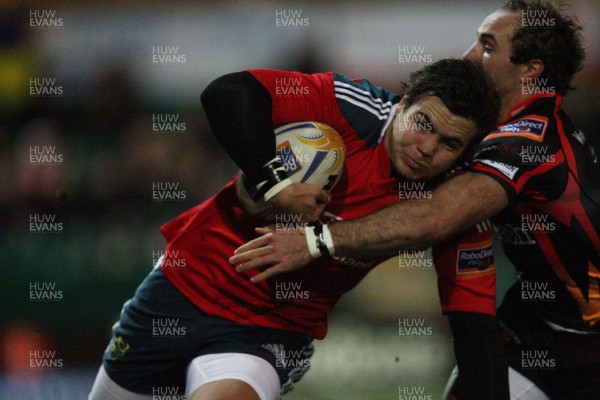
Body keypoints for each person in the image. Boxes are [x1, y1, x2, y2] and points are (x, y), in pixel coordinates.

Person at [232, 1, 598, 399]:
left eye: (487, 47)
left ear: (531, 69)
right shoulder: (509, 131)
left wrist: (317, 241)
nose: (470, 56)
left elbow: (435, 218)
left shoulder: (528, 139)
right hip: (535, 329)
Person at [88, 59, 500, 400]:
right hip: (179, 292)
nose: (428, 148)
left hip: (270, 330)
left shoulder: (455, 200)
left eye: (449, 144)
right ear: (404, 104)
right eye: (423, 124)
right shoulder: (349, 108)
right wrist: (275, 184)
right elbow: (226, 93)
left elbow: (475, 329)